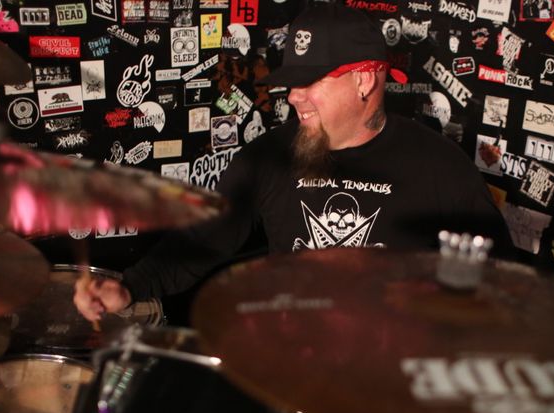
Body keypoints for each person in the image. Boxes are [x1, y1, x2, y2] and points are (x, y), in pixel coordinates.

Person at [75, 3, 511, 321]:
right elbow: (203, 240)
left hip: (389, 382)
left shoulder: (439, 166)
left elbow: (501, 283)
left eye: (310, 81)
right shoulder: (269, 156)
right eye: (291, 82)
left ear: (364, 79)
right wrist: (129, 286)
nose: (294, 95)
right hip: (292, 364)